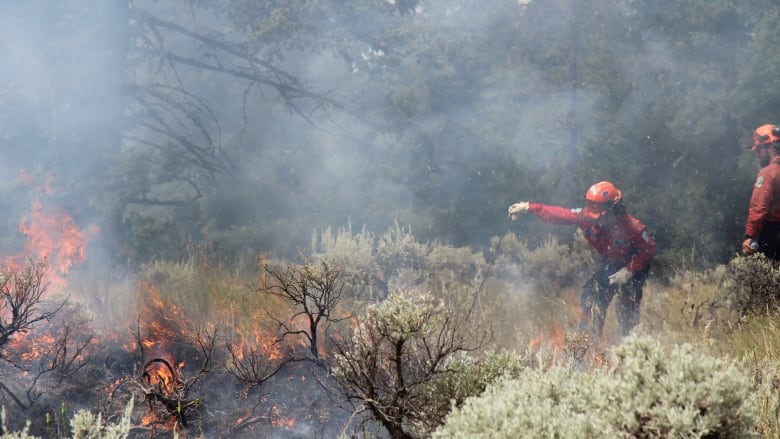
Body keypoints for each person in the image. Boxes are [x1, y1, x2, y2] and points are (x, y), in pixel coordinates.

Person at [507, 181, 655, 337]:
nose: (595, 220)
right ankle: (587, 347)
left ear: (613, 210)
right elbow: (558, 214)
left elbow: (648, 249)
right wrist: (528, 207)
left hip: (635, 266)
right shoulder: (585, 217)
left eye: (600, 216)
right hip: (610, 263)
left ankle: (631, 347)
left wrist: (628, 270)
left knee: (627, 307)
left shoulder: (633, 227)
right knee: (591, 299)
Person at [743, 124, 780, 260]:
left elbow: (759, 208)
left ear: (770, 147)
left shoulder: (768, 174)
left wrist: (750, 236)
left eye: (759, 149)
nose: (758, 155)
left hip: (773, 236)